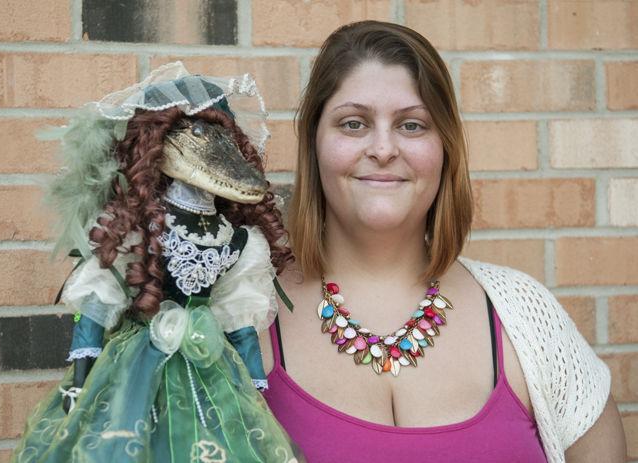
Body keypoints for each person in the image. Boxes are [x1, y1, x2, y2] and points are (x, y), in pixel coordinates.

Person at [259, 21, 626, 462]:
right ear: (314, 144)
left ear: (445, 147)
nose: (383, 148)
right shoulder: (245, 318)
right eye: (353, 123)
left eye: (412, 126)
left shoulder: (527, 318)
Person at [12, 62, 302, 462]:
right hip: (134, 362)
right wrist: (80, 378)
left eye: (222, 136)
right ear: (158, 141)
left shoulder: (238, 241)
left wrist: (255, 392)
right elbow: (99, 299)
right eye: (197, 132)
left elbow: (240, 321)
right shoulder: (139, 225)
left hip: (209, 365)